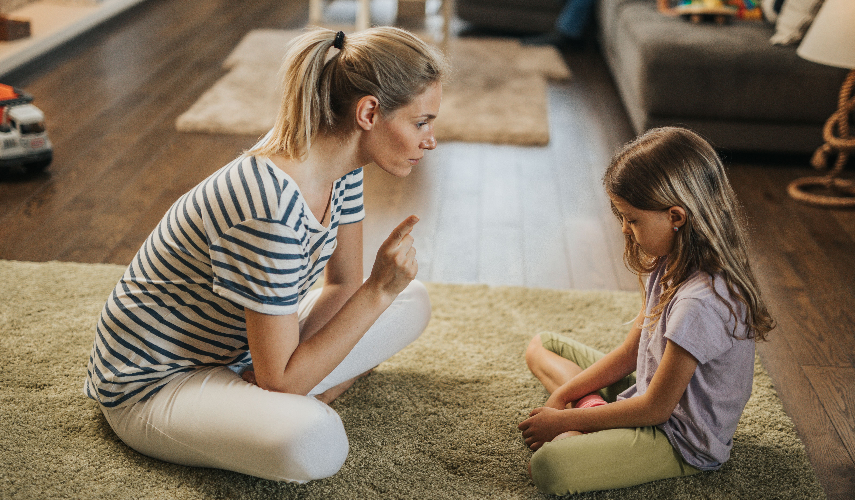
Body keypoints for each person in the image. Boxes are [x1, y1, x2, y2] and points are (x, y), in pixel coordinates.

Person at [83, 26, 448, 484]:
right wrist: (378, 291)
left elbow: (342, 285)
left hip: (242, 353)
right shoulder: (269, 205)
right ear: (369, 112)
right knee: (317, 441)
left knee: (412, 299)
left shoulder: (342, 168)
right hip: (155, 382)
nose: (430, 139)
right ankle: (289, 403)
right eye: (422, 122)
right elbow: (283, 377)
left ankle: (269, 401)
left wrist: (375, 294)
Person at [518, 126, 776, 494]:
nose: (624, 229)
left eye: (632, 219)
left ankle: (587, 420)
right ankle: (591, 410)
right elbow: (629, 353)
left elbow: (656, 409)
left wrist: (565, 422)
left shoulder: (700, 302)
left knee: (547, 467)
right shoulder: (668, 262)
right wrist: (561, 401)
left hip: (678, 439)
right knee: (542, 345)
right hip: (647, 391)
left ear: (676, 216)